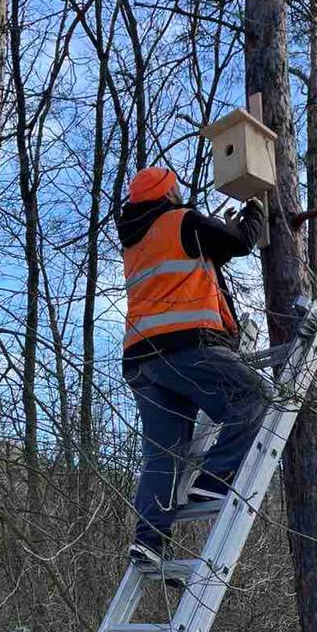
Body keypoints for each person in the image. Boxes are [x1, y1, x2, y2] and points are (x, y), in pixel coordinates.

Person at [119, 165, 271, 571]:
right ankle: (213, 484)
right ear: (170, 195)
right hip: (187, 345)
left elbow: (209, 252)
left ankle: (150, 539)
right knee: (254, 398)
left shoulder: (136, 241)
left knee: (163, 454)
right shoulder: (182, 220)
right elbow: (239, 242)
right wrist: (256, 208)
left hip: (141, 360)